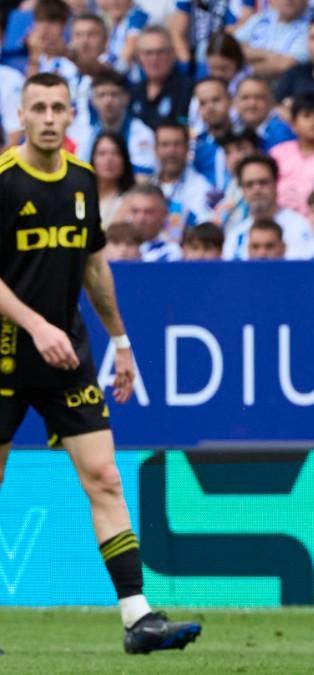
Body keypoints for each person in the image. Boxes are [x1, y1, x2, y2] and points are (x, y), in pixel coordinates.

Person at [0, 72, 201, 652]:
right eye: (37, 106)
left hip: (67, 354)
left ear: (70, 116)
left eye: (57, 107)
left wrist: (121, 343)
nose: (47, 117)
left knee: (106, 477)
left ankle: (139, 619)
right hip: (8, 353)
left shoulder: (84, 182)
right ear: (22, 113)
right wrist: (34, 326)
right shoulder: (5, 183)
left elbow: (94, 268)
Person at [224, 154, 314, 260]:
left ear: (276, 184)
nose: (257, 189)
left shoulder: (300, 226)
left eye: (263, 182)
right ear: (242, 189)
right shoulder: (235, 235)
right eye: (249, 184)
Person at [68, 69, 156, 178]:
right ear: (93, 100)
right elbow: (80, 173)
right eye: (102, 95)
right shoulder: (85, 133)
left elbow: (143, 177)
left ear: (126, 98)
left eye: (114, 94)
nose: (108, 101)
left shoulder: (142, 134)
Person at [153, 123, 215, 239]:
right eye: (165, 145)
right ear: (156, 150)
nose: (171, 151)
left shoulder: (202, 187)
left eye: (177, 144)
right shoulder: (148, 186)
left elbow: (206, 229)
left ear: (187, 149)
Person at [129, 27, 192, 130]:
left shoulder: (187, 89)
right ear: (139, 57)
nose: (154, 59)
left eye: (161, 52)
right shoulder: (133, 92)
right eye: (148, 53)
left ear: (172, 54)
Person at [234, 0, 311, 78]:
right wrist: (268, 54)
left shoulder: (311, 28)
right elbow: (233, 48)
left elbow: (285, 65)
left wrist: (246, 71)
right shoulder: (261, 18)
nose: (289, 0)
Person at [191, 78, 235, 194]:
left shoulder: (248, 139)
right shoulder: (194, 146)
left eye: (216, 100)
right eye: (203, 103)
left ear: (230, 101)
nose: (209, 107)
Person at [233, 77, 297, 151]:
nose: (251, 104)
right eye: (245, 98)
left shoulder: (282, 132)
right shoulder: (233, 129)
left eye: (259, 97)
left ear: (271, 101)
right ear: (235, 102)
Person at [123, 184, 182, 262]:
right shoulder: (113, 248)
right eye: (135, 211)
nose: (140, 218)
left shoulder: (171, 252)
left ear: (164, 214)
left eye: (148, 212)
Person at [91, 132, 136, 226]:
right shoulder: (81, 196)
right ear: (93, 159)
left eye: (116, 153)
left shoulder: (133, 200)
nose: (109, 159)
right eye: (102, 154)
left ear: (124, 159)